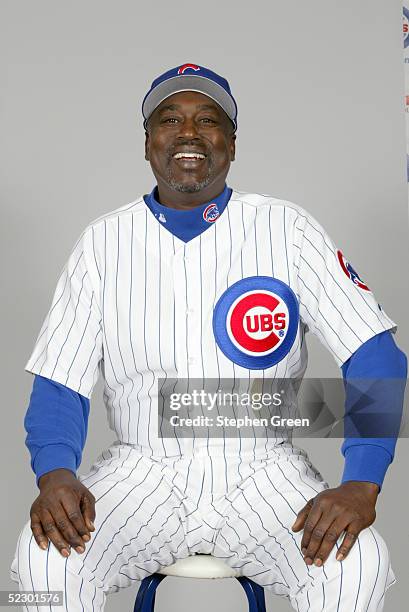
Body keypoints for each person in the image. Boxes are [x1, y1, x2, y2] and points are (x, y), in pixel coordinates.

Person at [10, 63, 406, 611]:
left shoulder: (286, 229)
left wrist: (361, 482)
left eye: (209, 120)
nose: (189, 132)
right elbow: (60, 385)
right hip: (141, 468)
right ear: (148, 142)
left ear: (232, 143)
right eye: (169, 119)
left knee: (356, 563)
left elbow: (376, 355)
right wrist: (55, 473)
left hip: (264, 471)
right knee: (43, 561)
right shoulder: (101, 243)